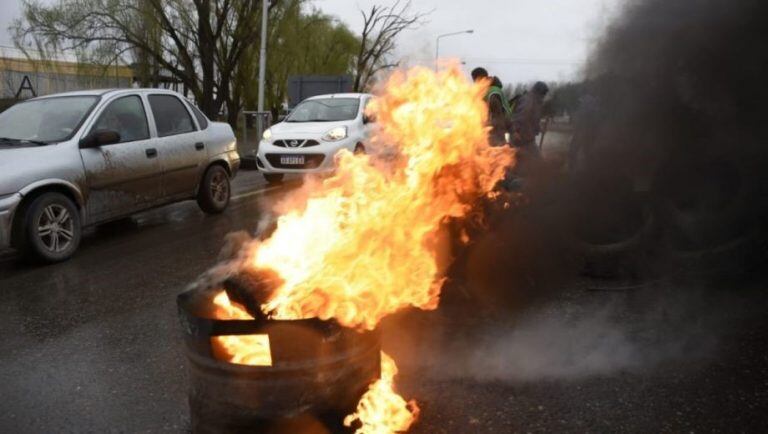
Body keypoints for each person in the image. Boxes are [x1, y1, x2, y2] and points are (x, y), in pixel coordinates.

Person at [471, 67, 512, 146]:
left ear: (481, 79)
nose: (475, 84)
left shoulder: (492, 93)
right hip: (491, 133)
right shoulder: (485, 92)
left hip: (496, 134)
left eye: (475, 81)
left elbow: (498, 118)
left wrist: (495, 138)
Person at [511, 81, 549, 152]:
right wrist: (515, 131)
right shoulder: (528, 100)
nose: (543, 97)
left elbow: (532, 121)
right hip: (522, 138)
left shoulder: (535, 102)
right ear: (539, 92)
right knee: (536, 159)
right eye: (543, 94)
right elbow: (520, 116)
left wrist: (539, 129)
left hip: (528, 138)